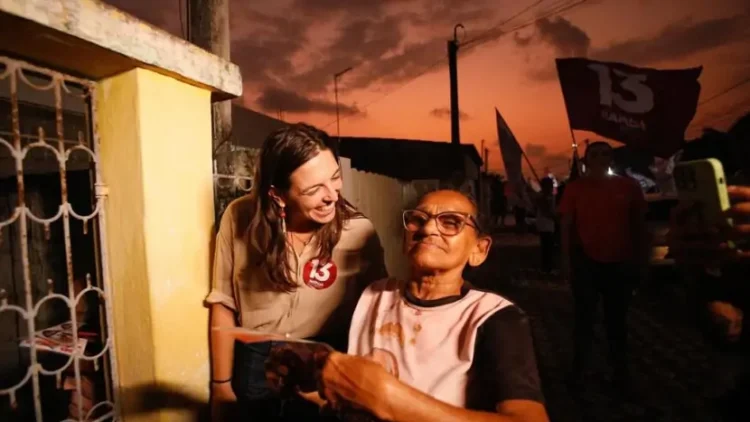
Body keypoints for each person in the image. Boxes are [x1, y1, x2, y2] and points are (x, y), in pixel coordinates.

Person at [271, 190, 549, 421]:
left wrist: (387, 398)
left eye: (451, 222)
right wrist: (311, 375)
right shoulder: (374, 295)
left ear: (479, 250)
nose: (428, 229)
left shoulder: (494, 317)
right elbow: (346, 382)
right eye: (419, 219)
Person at [204, 123, 387, 420]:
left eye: (335, 178)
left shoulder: (359, 231)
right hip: (256, 361)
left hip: (325, 360)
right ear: (278, 194)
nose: (332, 196)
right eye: (315, 189)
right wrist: (221, 388)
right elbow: (223, 303)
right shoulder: (239, 217)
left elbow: (379, 312)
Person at [558, 141, 648, 390]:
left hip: (620, 263)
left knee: (616, 322)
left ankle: (621, 374)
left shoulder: (629, 187)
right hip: (586, 263)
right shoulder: (575, 189)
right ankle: (578, 371)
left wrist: (642, 261)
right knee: (583, 321)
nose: (599, 157)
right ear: (586, 160)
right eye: (594, 154)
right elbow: (566, 227)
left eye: (604, 153)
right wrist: (566, 262)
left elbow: (640, 226)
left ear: (612, 159)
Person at [534, 177, 557, 274]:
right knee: (547, 247)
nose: (552, 187)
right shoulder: (543, 197)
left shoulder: (547, 196)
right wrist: (555, 217)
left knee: (548, 247)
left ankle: (547, 267)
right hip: (545, 225)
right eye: (550, 185)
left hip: (547, 224)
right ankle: (547, 268)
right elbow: (546, 211)